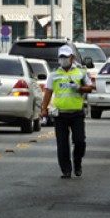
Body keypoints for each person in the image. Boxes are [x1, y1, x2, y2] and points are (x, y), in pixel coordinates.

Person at [40, 45, 94, 179]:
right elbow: (48, 92)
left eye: (66, 57)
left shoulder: (80, 72)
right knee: (62, 144)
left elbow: (90, 87)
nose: (63, 59)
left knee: (80, 141)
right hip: (60, 114)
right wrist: (44, 109)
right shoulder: (54, 74)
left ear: (72, 57)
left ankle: (77, 163)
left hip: (76, 113)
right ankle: (66, 170)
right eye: (61, 57)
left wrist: (79, 88)